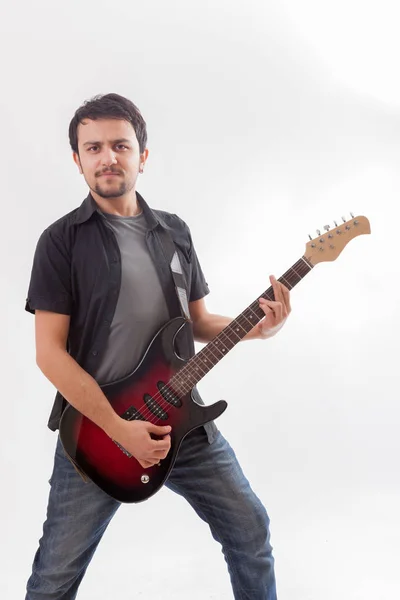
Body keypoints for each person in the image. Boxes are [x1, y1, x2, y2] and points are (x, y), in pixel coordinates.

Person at [24, 93, 291, 599]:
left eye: (121, 145)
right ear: (77, 159)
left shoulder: (174, 232)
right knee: (54, 577)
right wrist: (118, 429)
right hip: (98, 434)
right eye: (94, 147)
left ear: (142, 156)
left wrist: (261, 327)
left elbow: (198, 323)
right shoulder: (60, 242)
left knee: (250, 531)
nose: (108, 157)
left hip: (183, 422)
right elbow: (49, 353)